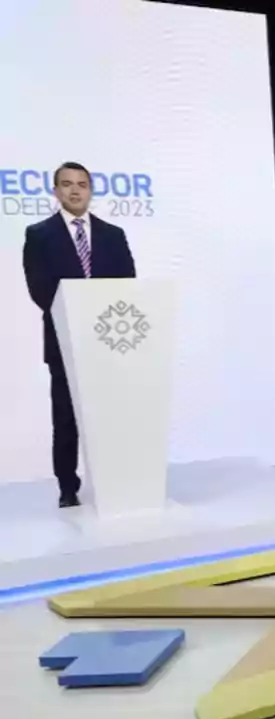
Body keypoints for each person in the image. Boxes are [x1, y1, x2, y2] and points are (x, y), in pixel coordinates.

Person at [22, 162, 137, 508]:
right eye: (67, 184)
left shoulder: (112, 235)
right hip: (64, 342)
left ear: (90, 190)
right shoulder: (39, 235)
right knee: (67, 418)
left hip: (109, 341)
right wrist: (78, 312)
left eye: (82, 184)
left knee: (111, 416)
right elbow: (40, 290)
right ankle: (68, 488)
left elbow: (127, 283)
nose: (75, 190)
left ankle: (115, 480)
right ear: (56, 191)